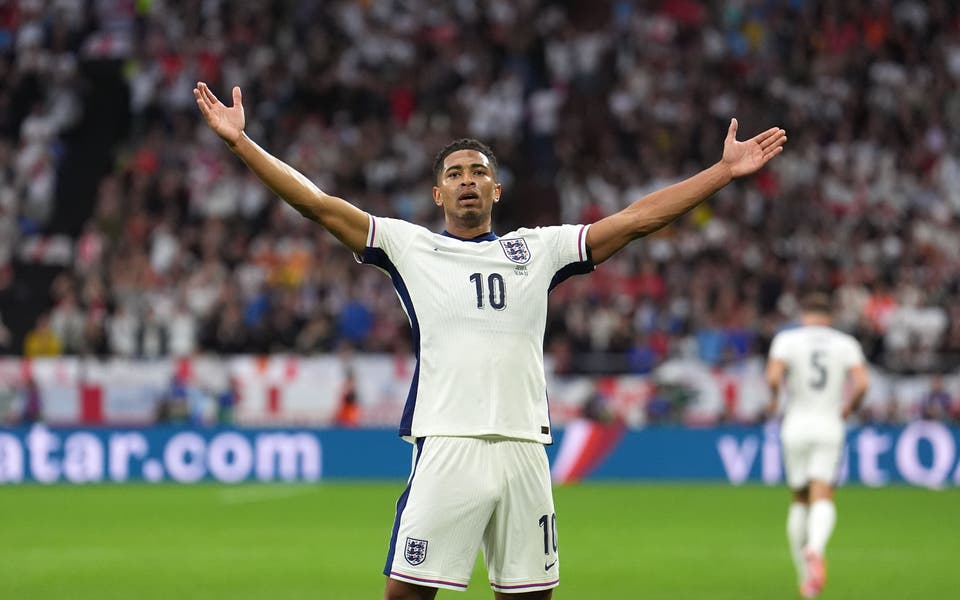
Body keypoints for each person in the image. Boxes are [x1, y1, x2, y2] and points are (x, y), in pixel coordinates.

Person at [194, 81, 786, 599]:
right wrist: (242, 144)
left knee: (529, 598)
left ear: (497, 191)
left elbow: (635, 220)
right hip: (448, 440)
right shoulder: (410, 247)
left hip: (526, 445)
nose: (468, 181)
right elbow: (318, 205)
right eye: (454, 174)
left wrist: (723, 173)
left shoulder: (539, 249)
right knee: (406, 595)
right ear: (438, 196)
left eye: (479, 172)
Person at [765, 292, 869, 599]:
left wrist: (774, 399)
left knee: (799, 499)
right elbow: (862, 383)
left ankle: (805, 578)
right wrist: (852, 405)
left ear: (804, 315)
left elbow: (773, 377)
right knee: (822, 492)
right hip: (829, 424)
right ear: (829, 318)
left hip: (795, 424)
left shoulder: (787, 340)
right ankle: (816, 547)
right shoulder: (845, 343)